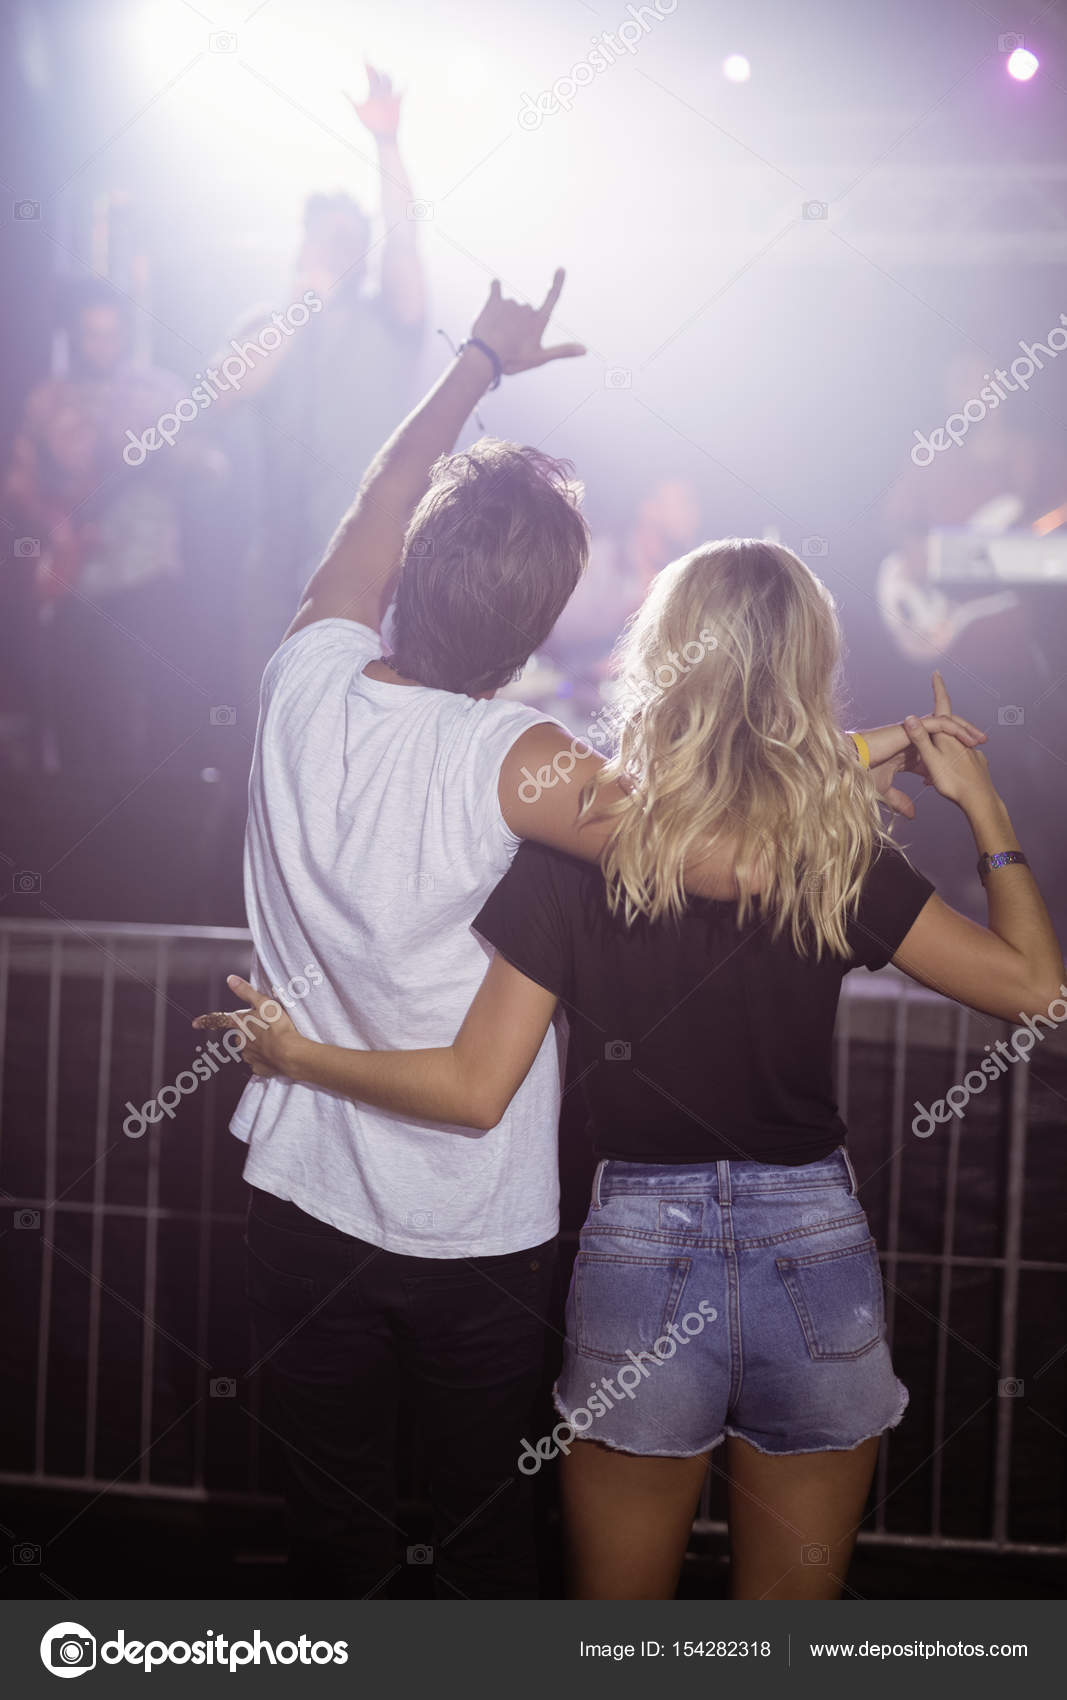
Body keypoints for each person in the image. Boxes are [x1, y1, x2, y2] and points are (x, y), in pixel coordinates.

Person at [201, 489, 1007, 1598]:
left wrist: (294, 1057)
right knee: (596, 1579)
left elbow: (364, 527)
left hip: (530, 1223)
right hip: (694, 1232)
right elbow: (1029, 989)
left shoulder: (356, 707)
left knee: (489, 1590)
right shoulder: (775, 843)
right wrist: (932, 792)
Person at [215, 65, 427, 677]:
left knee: (360, 709)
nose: (334, 252)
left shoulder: (389, 320)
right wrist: (297, 310)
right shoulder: (269, 326)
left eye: (346, 241)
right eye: (322, 239)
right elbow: (225, 391)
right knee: (269, 710)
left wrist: (386, 143)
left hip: (371, 566)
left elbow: (404, 239)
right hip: (278, 566)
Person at [2, 279, 200, 788]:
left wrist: (183, 457)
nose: (102, 346)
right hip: (75, 579)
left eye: (112, 334)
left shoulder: (162, 394)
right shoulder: (49, 399)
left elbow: (207, 467)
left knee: (144, 703)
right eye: (91, 334)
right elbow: (18, 483)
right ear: (74, 336)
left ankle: (153, 809)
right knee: (78, 706)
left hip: (146, 570)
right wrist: (52, 521)